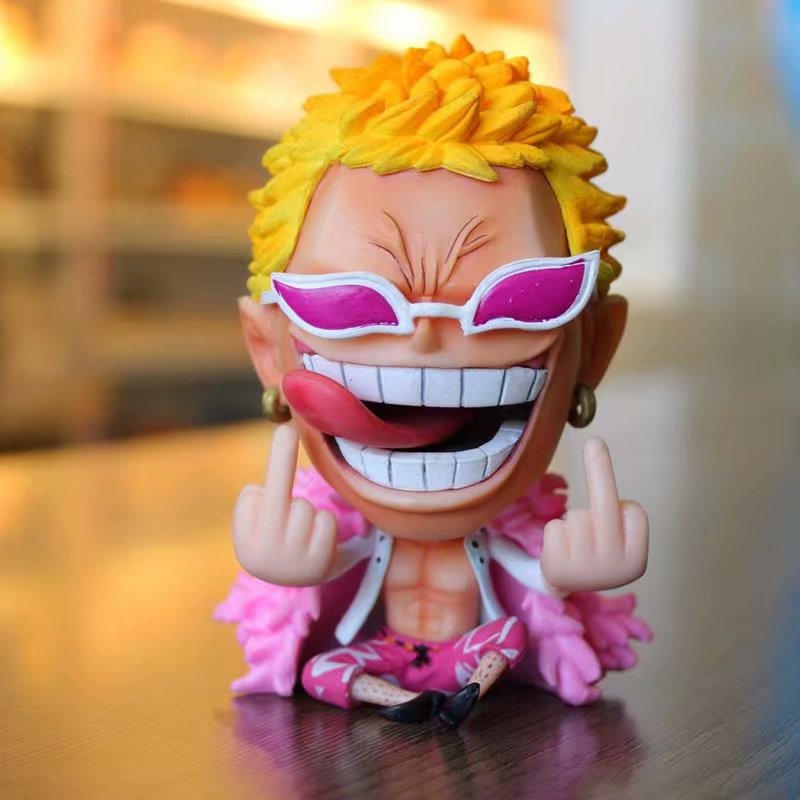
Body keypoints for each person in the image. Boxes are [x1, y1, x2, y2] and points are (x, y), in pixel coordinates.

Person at [216, 35, 651, 729]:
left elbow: (528, 577)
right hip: (380, 651)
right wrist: (290, 569)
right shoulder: (350, 543)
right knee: (330, 669)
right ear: (268, 347)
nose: (424, 337)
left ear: (592, 346)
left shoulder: (499, 539)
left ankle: (469, 687)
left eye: (520, 299)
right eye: (347, 303)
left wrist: (567, 574)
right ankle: (394, 697)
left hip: (482, 649)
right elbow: (331, 574)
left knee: (502, 640)